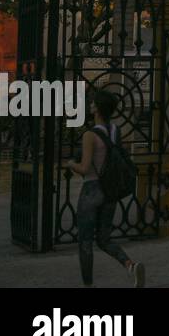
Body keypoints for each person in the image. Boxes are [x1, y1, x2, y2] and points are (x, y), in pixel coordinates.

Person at [66, 90, 144, 288]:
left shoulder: (90, 135)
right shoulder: (115, 131)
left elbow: (84, 168)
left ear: (98, 108)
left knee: (85, 242)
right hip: (110, 190)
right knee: (104, 239)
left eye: (93, 103)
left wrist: (70, 164)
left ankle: (88, 284)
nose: (91, 106)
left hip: (92, 190)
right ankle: (130, 265)